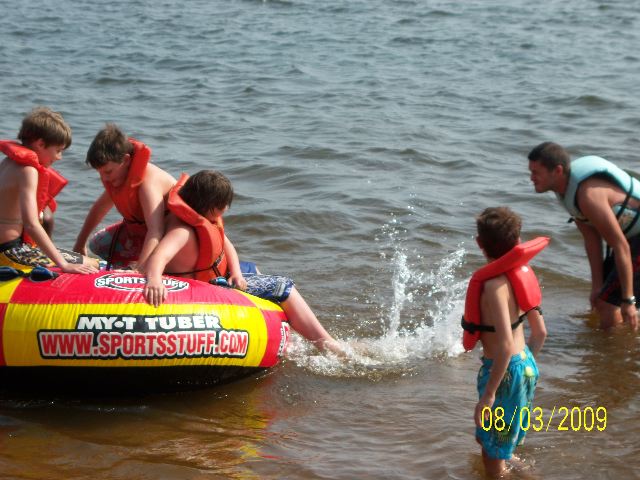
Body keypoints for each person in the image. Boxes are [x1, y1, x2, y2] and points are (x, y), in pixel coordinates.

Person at [143, 170, 343, 355]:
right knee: (283, 287)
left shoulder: (202, 220)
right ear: (212, 207)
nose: (226, 209)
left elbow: (227, 245)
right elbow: (159, 257)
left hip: (216, 276)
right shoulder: (182, 231)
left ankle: (281, 330)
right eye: (224, 205)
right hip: (206, 288)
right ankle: (325, 343)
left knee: (251, 269)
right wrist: (154, 280)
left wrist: (237, 273)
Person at [461, 207, 547, 477]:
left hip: (504, 372)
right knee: (491, 439)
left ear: (480, 243)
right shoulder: (521, 273)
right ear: (517, 241)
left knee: (492, 457)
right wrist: (524, 368)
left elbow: (505, 345)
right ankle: (521, 470)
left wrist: (489, 394)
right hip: (526, 365)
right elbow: (540, 332)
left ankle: (504, 472)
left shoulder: (493, 286)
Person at [528, 142, 639, 331]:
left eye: (536, 172)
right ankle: (621, 342)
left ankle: (615, 347)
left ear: (558, 170)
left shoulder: (588, 196)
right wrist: (596, 286)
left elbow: (621, 247)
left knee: (608, 304)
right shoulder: (567, 193)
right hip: (632, 238)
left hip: (633, 241)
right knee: (601, 299)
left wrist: (628, 299)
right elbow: (591, 240)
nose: (531, 178)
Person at [0, 107, 98, 274]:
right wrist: (64, 265)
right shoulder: (28, 171)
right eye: (58, 150)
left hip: (6, 247)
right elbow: (31, 224)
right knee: (93, 264)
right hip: (11, 253)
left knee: (84, 260)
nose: (59, 157)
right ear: (40, 144)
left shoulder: (7, 162)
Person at [73, 124, 176, 271]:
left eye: (108, 172)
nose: (104, 178)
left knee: (146, 263)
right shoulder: (119, 178)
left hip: (167, 236)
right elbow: (99, 209)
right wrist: (80, 243)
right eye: (100, 173)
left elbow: (156, 230)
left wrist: (138, 270)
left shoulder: (147, 183)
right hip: (141, 232)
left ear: (126, 160)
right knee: (97, 244)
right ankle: (124, 266)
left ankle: (142, 267)